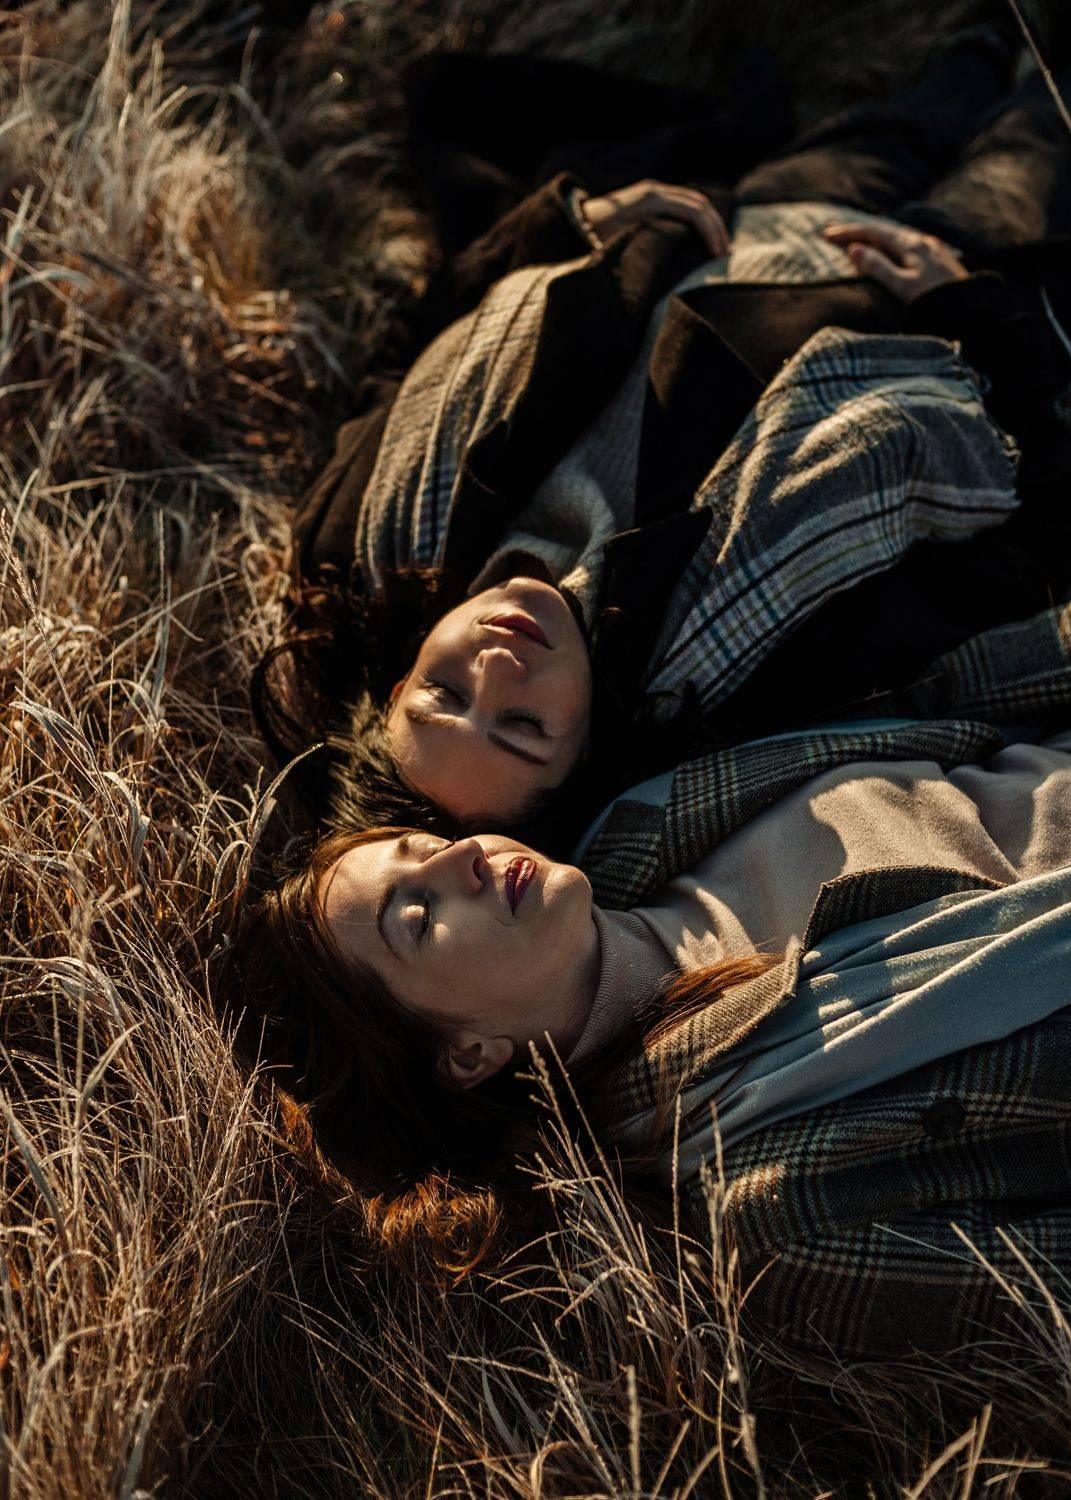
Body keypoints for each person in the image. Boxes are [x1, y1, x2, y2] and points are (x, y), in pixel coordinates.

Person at [258, 24, 1071, 846]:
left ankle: (980, 38)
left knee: (942, 89)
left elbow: (407, 356)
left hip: (764, 219)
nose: (497, 667)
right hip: (937, 295)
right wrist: (974, 309)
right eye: (522, 728)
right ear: (584, 754)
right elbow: (1026, 536)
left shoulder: (376, 533)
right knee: (1040, 122)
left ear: (398, 685)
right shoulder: (746, 659)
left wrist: (578, 222)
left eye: (444, 696)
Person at [226, 593, 1071, 1358]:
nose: (465, 861)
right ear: (468, 1054)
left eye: (427, 848)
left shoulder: (635, 819)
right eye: (417, 917)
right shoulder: (763, 1209)